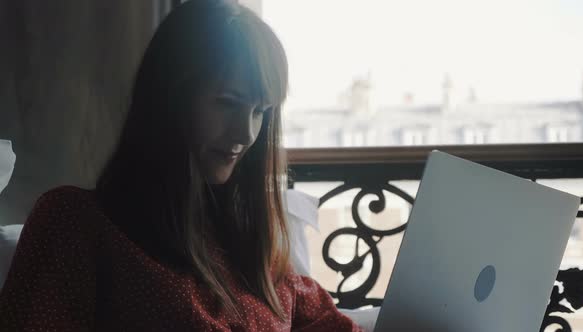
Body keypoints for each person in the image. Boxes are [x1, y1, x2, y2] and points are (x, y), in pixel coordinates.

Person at [0, 0, 363, 331]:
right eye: (226, 103)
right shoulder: (77, 223)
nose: (245, 132)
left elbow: (329, 322)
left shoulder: (248, 247)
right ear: (170, 96)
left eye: (259, 111)